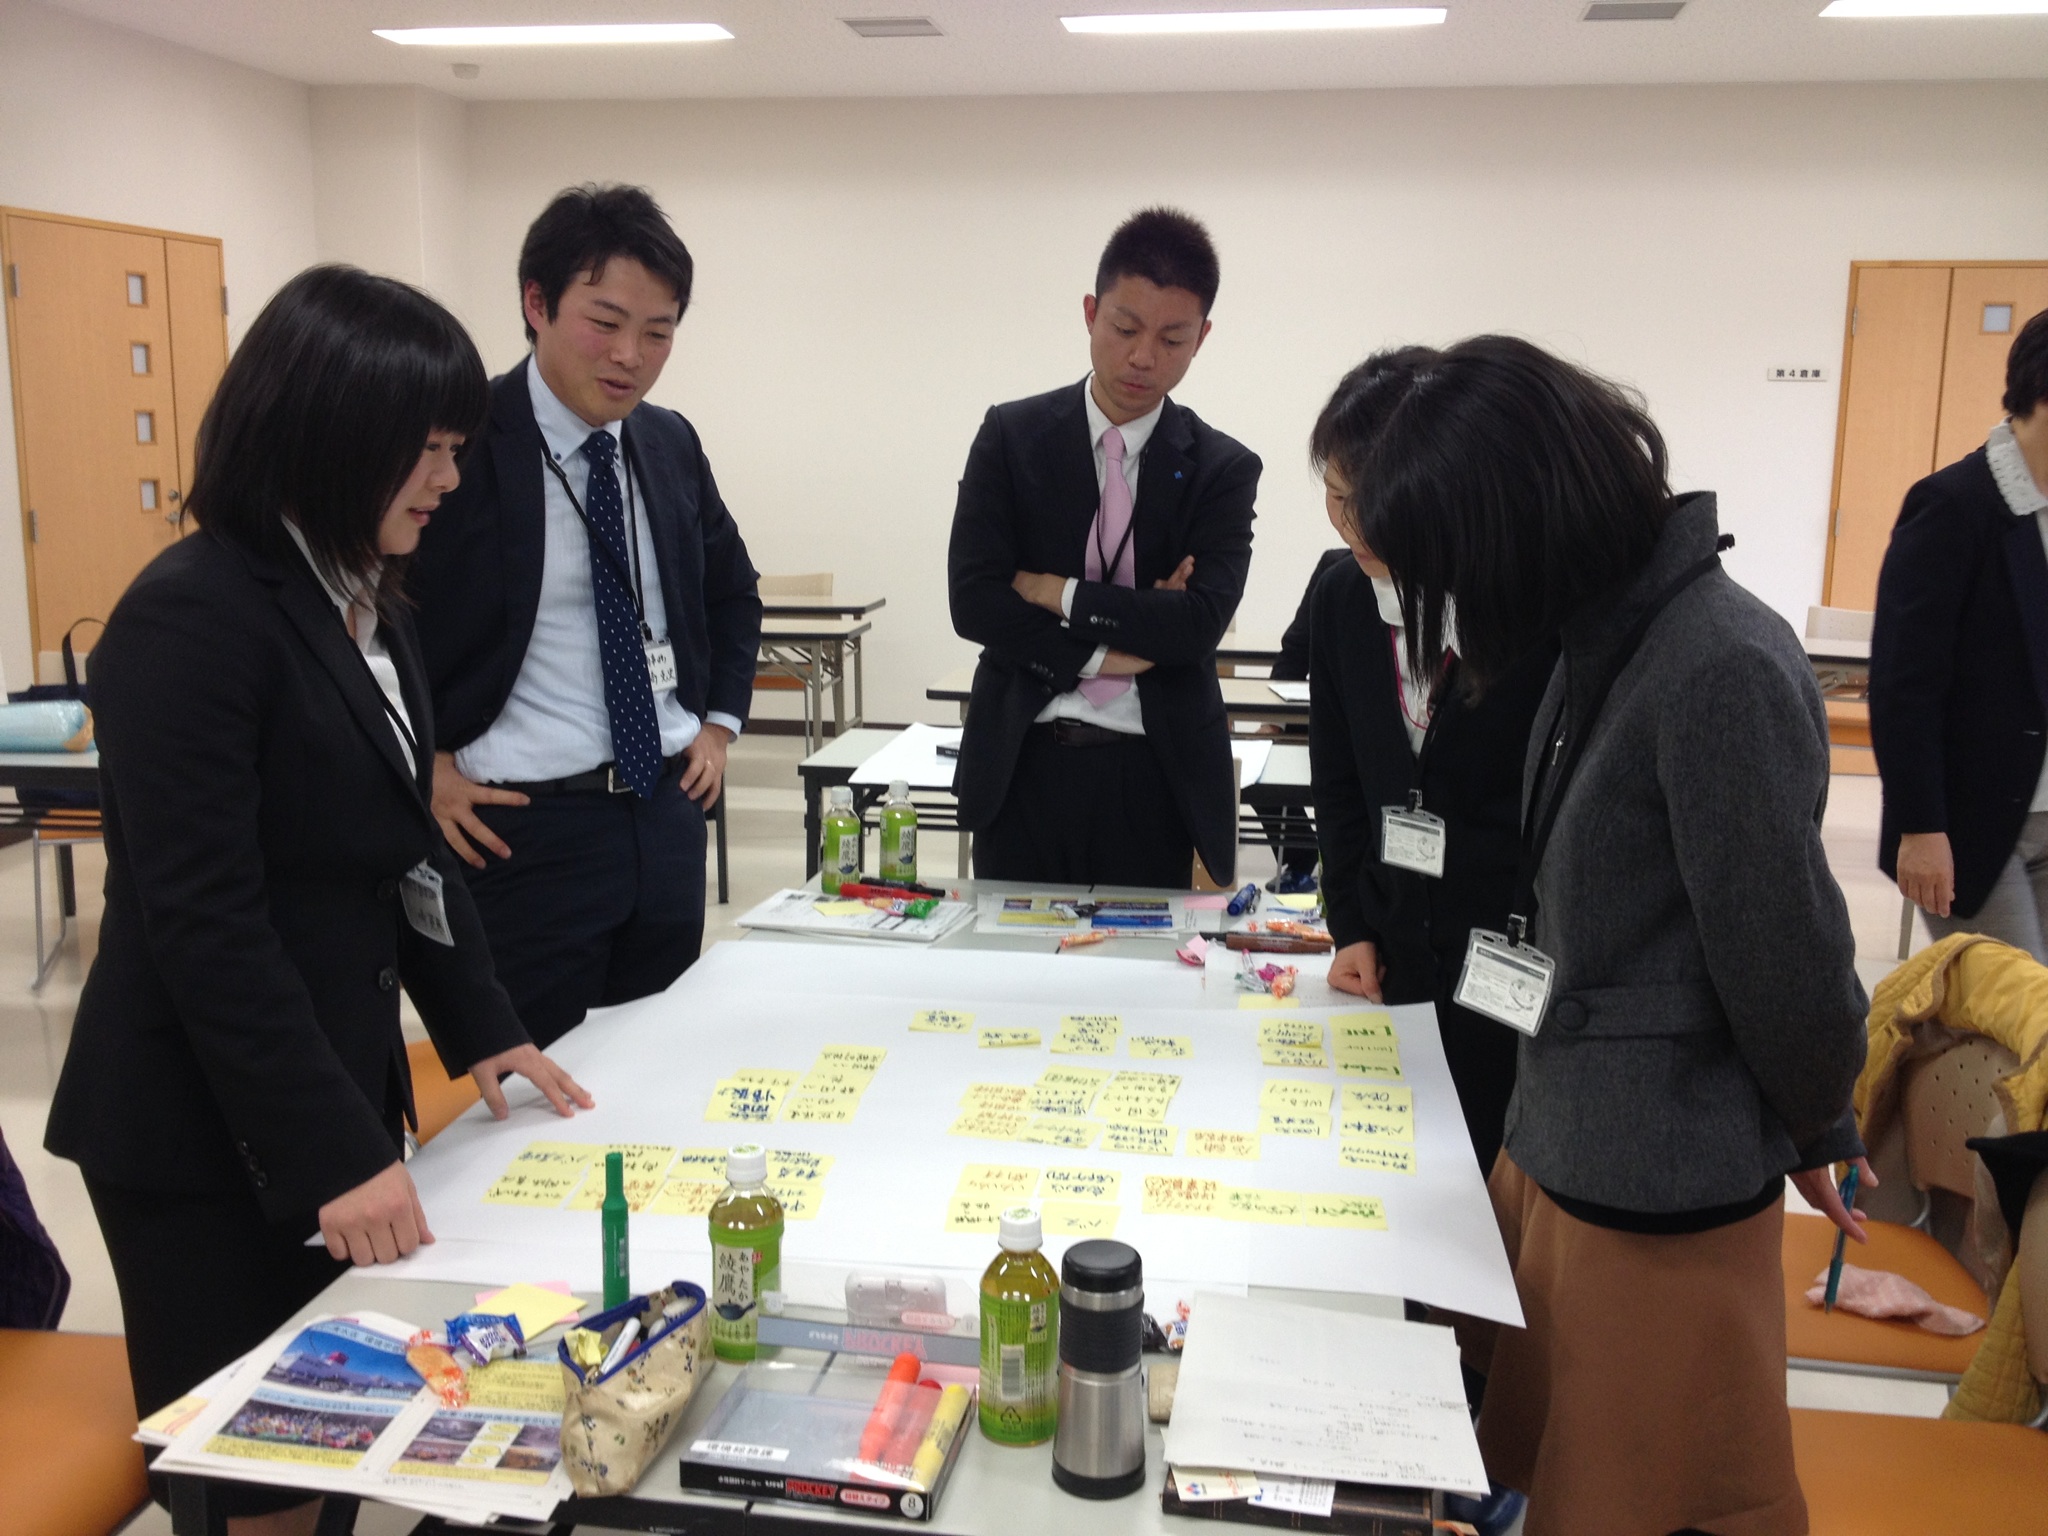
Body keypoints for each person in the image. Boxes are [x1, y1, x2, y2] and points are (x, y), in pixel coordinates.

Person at [43, 266, 590, 1535]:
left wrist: (484, 1024)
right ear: (331, 434)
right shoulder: (190, 619)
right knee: (259, 1477)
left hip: (320, 1082)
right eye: (429, 450)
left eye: (457, 448)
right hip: (202, 1131)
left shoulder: (367, 601)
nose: (449, 480)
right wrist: (335, 1153)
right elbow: (206, 925)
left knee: (338, 1455)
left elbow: (405, 849)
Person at [1345, 336, 1869, 1535]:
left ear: (1514, 530)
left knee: (1638, 1492)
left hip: (1653, 1184)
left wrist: (1815, 1118)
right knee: (1554, 1470)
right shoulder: (1605, 641)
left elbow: (1784, 959)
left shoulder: (1714, 665)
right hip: (1568, 1140)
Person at [412, 184, 762, 1047]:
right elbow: (379, 614)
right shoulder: (460, 442)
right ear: (536, 304)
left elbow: (732, 589)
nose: (630, 356)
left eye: (658, 332)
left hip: (662, 811)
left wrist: (717, 726)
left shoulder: (668, 441)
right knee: (539, 1090)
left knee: (657, 1065)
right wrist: (423, 766)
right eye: (604, 323)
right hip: (520, 830)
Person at [948, 207, 1260, 889]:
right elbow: (974, 602)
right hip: (1025, 762)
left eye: (1172, 339)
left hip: (1154, 774)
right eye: (1125, 329)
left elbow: (1197, 625)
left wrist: (1054, 592)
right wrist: (1111, 650)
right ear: (1091, 313)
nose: (1144, 357)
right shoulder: (1011, 437)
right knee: (1011, 953)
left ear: (1202, 338)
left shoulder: (1222, 469)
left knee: (1141, 958)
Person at [1306, 353, 1554, 1182]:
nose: (1351, 526)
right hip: (1393, 949)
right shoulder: (1342, 599)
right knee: (1400, 1170)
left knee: (1491, 1172)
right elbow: (1339, 781)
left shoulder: (1530, 614)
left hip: (1506, 963)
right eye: (1336, 497)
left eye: (1369, 502)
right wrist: (1352, 924)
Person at [1872, 305, 2048, 962]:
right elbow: (1904, 684)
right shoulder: (1953, 506)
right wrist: (1920, 825)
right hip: (1972, 830)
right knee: (2014, 1016)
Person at [1257, 545, 1348, 892]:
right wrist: (1273, 723)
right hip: (1329, 706)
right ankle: (1301, 858)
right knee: (1258, 760)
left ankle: (1342, 867)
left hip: (1389, 715)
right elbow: (1295, 648)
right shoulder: (1334, 565)